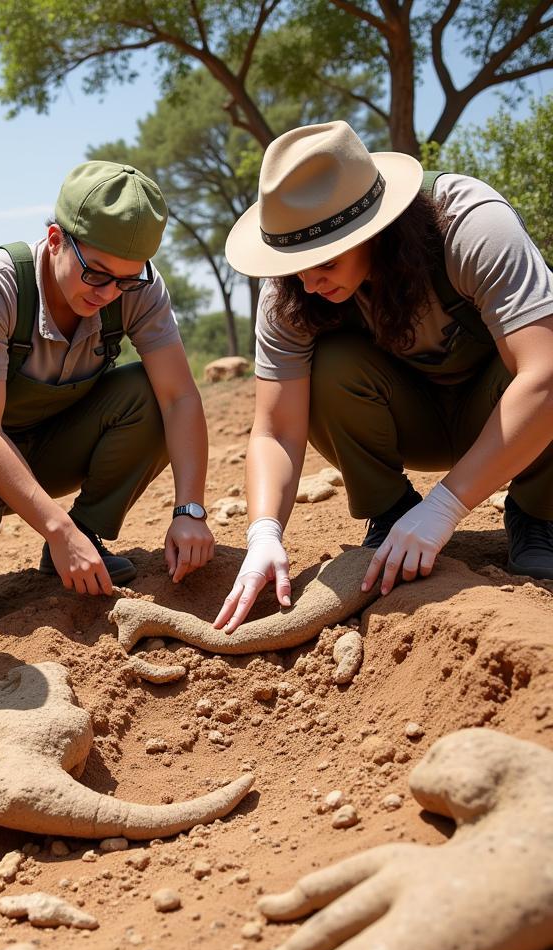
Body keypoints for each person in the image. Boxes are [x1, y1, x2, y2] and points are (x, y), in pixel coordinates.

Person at [214, 120, 553, 633]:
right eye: (292, 262)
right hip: (408, 418)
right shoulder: (290, 289)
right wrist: (264, 532)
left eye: (323, 259)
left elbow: (545, 378)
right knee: (330, 366)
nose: (307, 280)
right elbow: (277, 429)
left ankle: (538, 516)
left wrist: (445, 508)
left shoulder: (469, 225)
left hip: (502, 415)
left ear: (374, 228)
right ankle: (391, 511)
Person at [0, 161, 215, 642]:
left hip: (50, 441)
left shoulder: (135, 287)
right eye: (97, 275)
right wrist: (56, 531)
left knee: (149, 395)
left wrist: (190, 511)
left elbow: (179, 396)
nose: (108, 294)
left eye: (126, 280)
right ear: (56, 239)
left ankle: (88, 534)